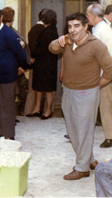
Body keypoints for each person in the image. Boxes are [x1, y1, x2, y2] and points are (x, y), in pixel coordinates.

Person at [49, 12, 112, 180]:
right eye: (70, 26)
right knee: (73, 131)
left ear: (86, 26)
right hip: (68, 91)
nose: (73, 30)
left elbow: (110, 68)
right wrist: (60, 40)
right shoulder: (68, 42)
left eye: (77, 26)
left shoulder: (96, 45)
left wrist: (97, 84)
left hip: (87, 94)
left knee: (84, 131)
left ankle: (82, 167)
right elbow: (52, 48)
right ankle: (89, 160)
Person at [0, 6, 27, 140]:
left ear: (1, 18)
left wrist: (19, 68)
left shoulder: (8, 34)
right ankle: (0, 133)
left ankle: (9, 137)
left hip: (7, 77)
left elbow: (21, 54)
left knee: (7, 108)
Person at [86, 4, 112, 148]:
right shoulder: (97, 28)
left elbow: (109, 55)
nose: (86, 16)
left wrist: (104, 77)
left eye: (87, 14)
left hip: (105, 75)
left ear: (94, 16)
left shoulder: (103, 30)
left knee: (106, 106)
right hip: (99, 73)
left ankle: (110, 136)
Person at [1, 6, 31, 119]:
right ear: (12, 18)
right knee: (9, 94)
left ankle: (9, 117)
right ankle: (8, 118)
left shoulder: (4, 30)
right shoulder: (9, 31)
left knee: (7, 94)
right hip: (10, 67)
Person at [28, 9, 59, 120]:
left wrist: (32, 54)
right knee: (39, 87)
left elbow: (42, 48)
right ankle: (37, 109)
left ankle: (48, 110)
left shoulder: (50, 31)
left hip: (47, 63)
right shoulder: (48, 29)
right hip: (42, 63)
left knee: (47, 88)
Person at [25, 9, 46, 116]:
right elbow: (33, 45)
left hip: (34, 59)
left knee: (33, 87)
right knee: (34, 87)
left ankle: (30, 109)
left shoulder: (34, 27)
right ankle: (30, 110)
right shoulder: (40, 28)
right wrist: (33, 57)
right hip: (37, 61)